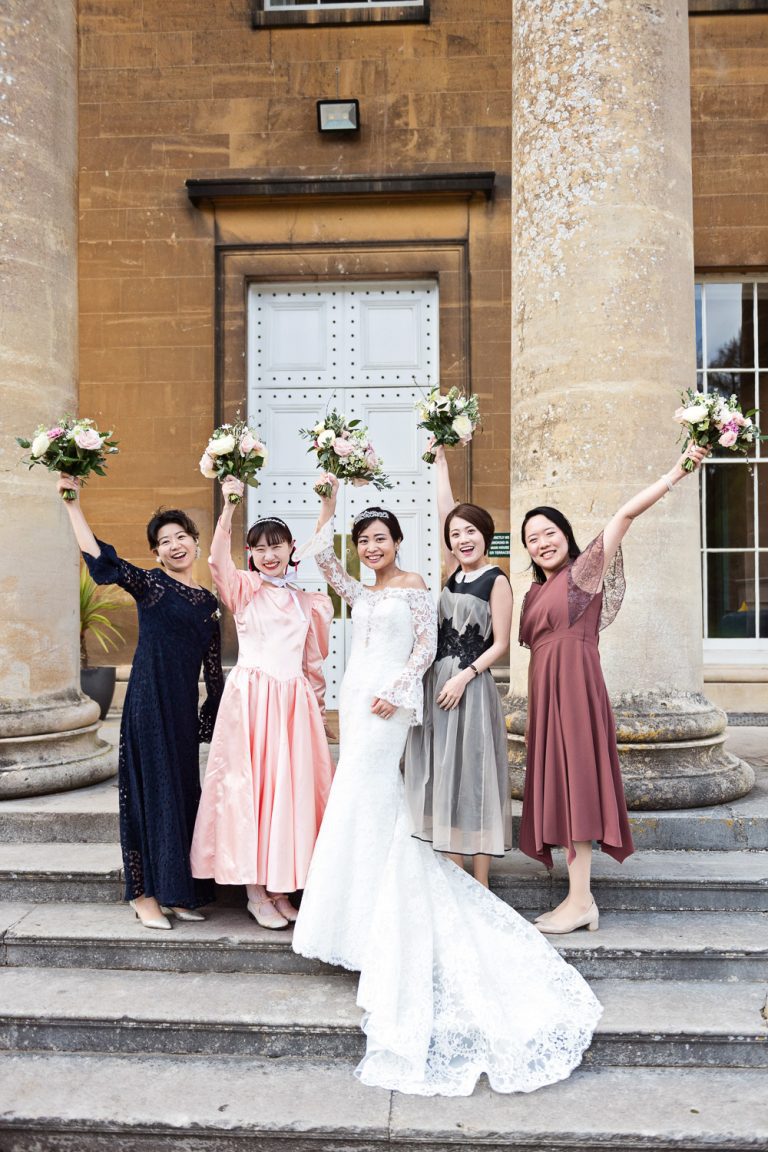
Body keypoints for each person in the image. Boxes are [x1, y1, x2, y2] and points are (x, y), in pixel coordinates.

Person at [292, 474, 602, 1097]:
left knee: (395, 792)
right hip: (358, 698)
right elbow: (324, 559)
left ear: (400, 543)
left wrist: (402, 692)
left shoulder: (418, 587)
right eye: (366, 540)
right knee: (358, 797)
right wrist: (329, 499)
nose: (372, 547)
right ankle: (346, 911)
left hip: (400, 698)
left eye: (381, 538)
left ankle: (424, 891)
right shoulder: (360, 588)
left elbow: (429, 647)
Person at [519, 443, 709, 936]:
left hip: (578, 693)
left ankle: (581, 900)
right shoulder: (533, 592)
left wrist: (677, 470)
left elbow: (624, 514)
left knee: (577, 787)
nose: (542, 542)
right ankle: (575, 897)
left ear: (566, 536)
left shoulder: (582, 575)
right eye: (532, 538)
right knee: (558, 790)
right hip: (546, 697)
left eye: (550, 532)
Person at [56, 474, 223, 930]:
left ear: (194, 542)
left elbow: (213, 672)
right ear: (156, 552)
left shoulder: (209, 603)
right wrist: (72, 503)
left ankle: (177, 889)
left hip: (182, 712)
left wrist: (216, 719)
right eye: (164, 541)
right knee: (148, 796)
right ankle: (144, 893)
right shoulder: (150, 585)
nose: (174, 546)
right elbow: (99, 558)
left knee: (183, 795)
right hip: (148, 706)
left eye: (180, 538)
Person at [190, 476, 334, 930]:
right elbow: (216, 560)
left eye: (277, 546)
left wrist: (320, 708)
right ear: (251, 554)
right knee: (251, 791)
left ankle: (280, 887)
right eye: (259, 549)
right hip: (252, 700)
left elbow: (312, 662)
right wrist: (231, 504)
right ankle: (255, 891)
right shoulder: (245, 590)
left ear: (292, 548)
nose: (269, 555)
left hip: (293, 703)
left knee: (288, 793)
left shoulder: (307, 602)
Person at [405, 443, 512, 886]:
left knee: (472, 772)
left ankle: (480, 882)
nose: (462, 539)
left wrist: (465, 678)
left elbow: (502, 644)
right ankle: (453, 874)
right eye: (456, 535)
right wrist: (440, 462)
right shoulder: (453, 573)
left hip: (468, 686)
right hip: (436, 684)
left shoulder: (496, 579)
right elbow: (444, 509)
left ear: (485, 535)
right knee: (441, 770)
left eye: (470, 532)